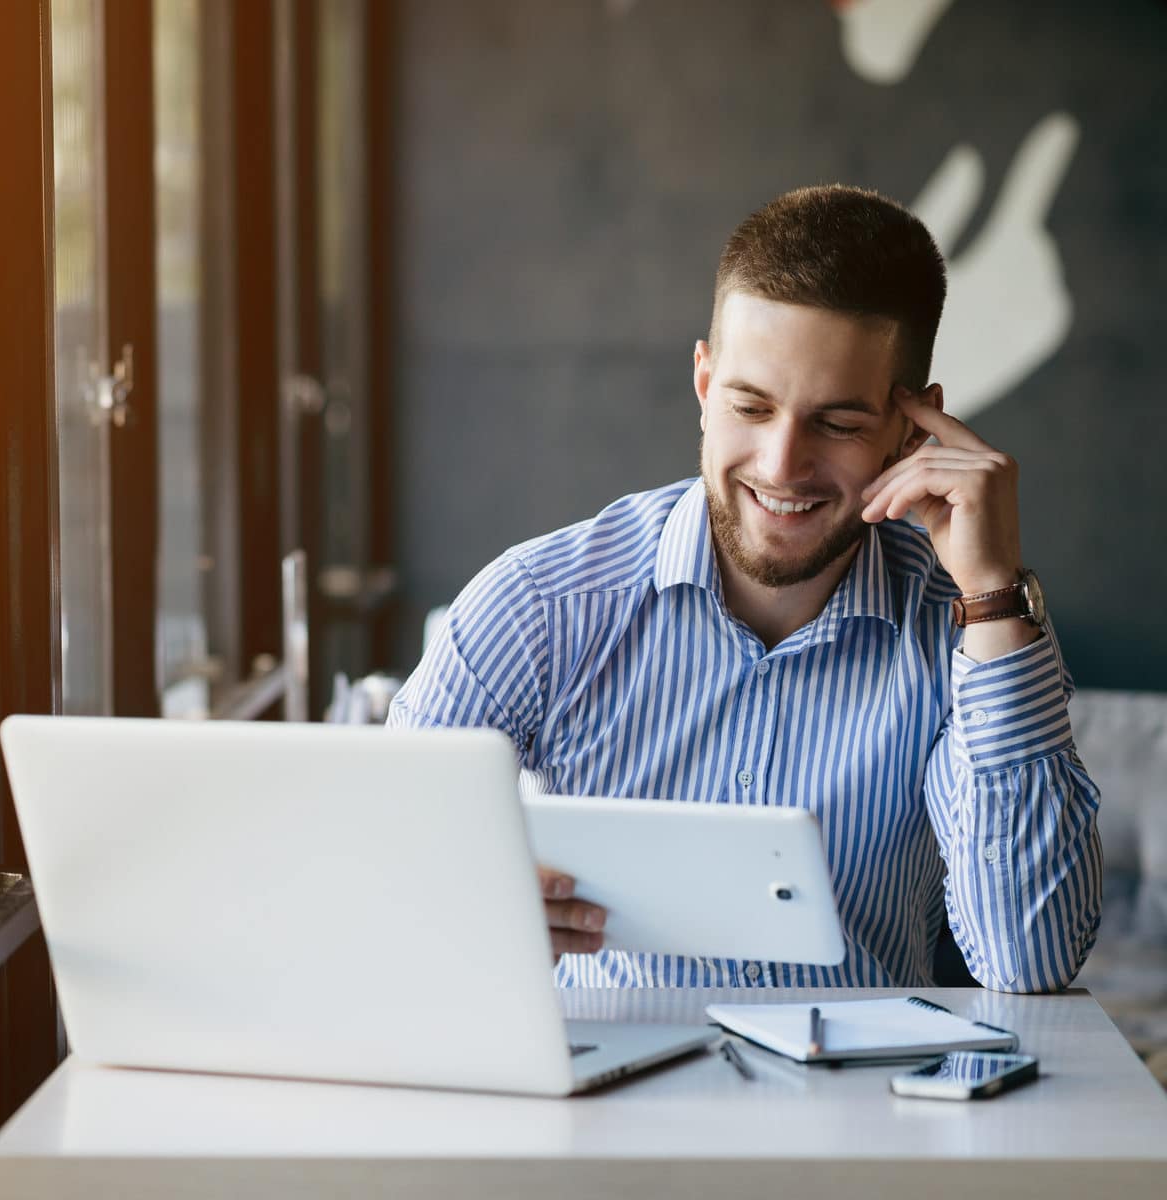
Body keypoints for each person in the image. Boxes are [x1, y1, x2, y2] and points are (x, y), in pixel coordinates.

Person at [387, 184, 1102, 993]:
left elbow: (1030, 963)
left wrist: (994, 592)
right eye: (750, 406)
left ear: (913, 430)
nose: (780, 466)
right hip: (600, 1111)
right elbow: (375, 880)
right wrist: (465, 906)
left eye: (837, 424)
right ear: (703, 384)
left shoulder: (962, 628)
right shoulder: (537, 609)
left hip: (862, 1111)